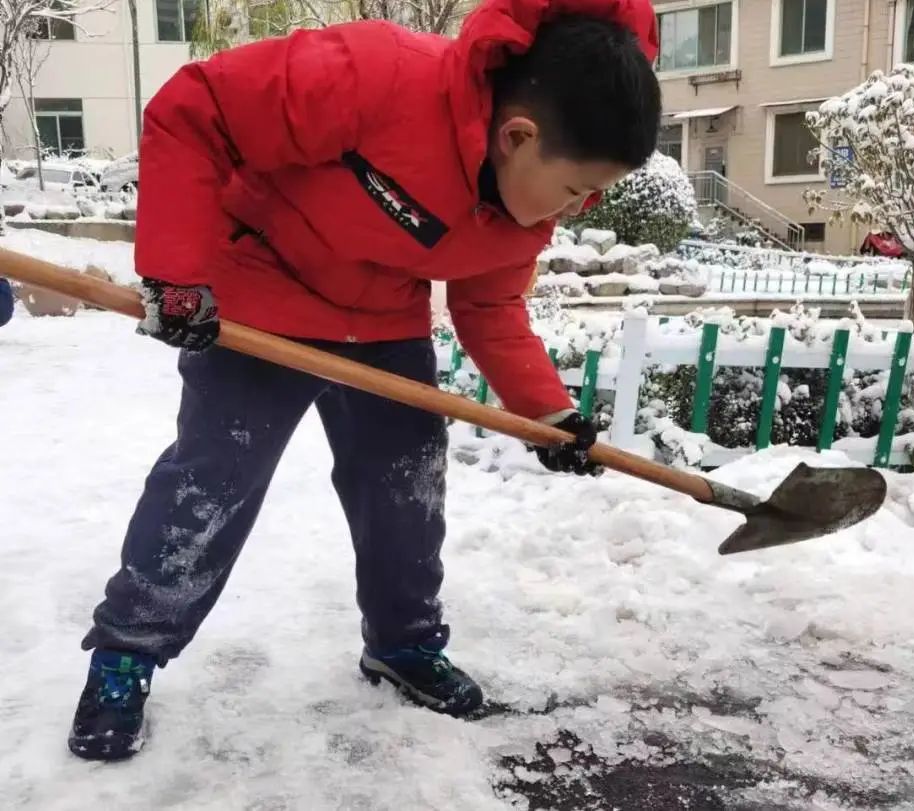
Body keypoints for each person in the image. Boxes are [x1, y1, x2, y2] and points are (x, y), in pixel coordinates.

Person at [68, 0, 661, 761]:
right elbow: (197, 110)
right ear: (519, 136)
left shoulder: (515, 212)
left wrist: (550, 414)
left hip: (382, 322)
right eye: (580, 188)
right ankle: (126, 651)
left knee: (405, 488)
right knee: (213, 481)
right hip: (261, 296)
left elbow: (491, 307)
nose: (583, 208)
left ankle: (403, 643)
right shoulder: (377, 77)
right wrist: (177, 276)